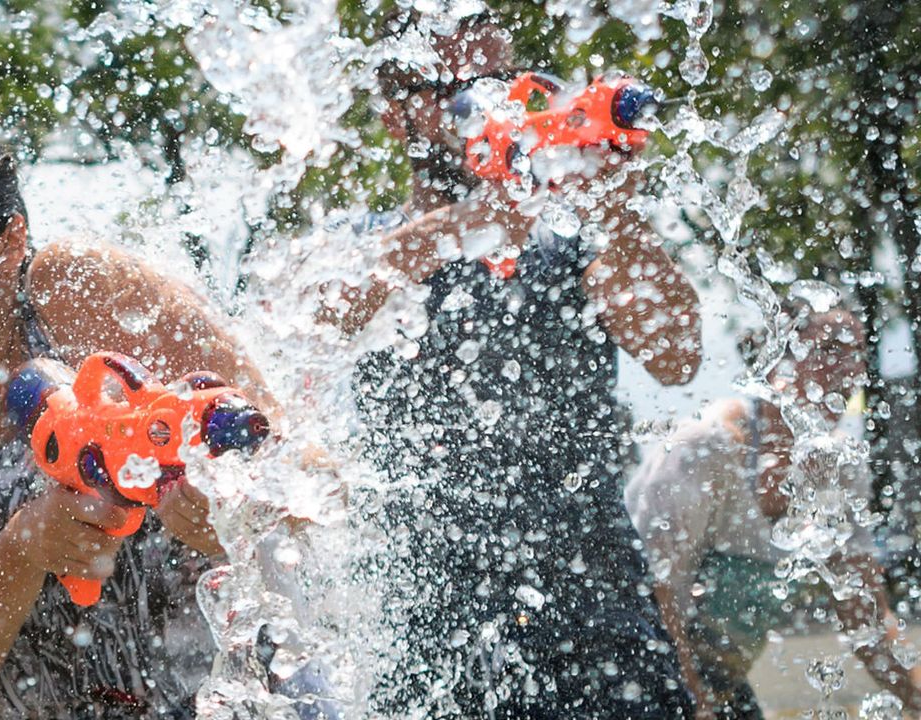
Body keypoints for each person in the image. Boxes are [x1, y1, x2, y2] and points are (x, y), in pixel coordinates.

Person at [323, 10, 703, 718]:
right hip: (424, 622)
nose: (489, 106)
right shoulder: (359, 243)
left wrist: (616, 210)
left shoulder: (575, 242)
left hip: (593, 611)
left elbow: (679, 356)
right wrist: (469, 224)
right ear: (393, 117)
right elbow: (312, 323)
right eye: (455, 87)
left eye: (501, 82)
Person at [0, 120, 281, 719]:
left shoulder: (76, 293)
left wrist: (231, 516)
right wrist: (24, 548)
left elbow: (299, 463)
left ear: (7, 244)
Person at [627, 302, 921, 718]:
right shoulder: (706, 447)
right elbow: (657, 598)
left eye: (857, 354)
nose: (850, 371)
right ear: (775, 363)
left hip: (721, 685)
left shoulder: (839, 470)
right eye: (830, 350)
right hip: (636, 668)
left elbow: (866, 619)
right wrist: (698, 706)